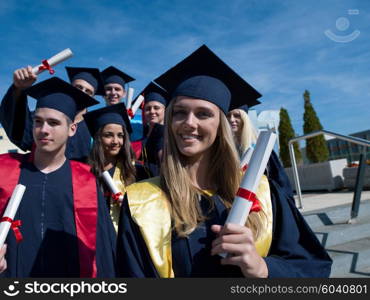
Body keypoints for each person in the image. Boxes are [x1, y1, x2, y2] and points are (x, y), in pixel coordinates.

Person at [116, 45, 332, 278]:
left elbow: (312, 268)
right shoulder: (143, 201)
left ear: (222, 126)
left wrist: (262, 268)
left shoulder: (264, 193)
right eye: (179, 112)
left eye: (203, 113)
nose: (189, 122)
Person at [0, 77, 116, 277]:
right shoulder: (5, 169)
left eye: (53, 123)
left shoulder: (86, 180)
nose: (44, 130)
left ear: (72, 129)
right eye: (38, 121)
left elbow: (102, 248)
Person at [0, 66, 103, 162]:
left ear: (93, 97)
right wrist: (18, 89)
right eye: (78, 87)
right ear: (70, 87)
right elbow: (18, 130)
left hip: (79, 179)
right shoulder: (42, 118)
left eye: (88, 91)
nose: (82, 92)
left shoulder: (94, 129)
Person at [84, 103, 147, 232]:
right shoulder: (85, 173)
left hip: (125, 238)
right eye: (108, 135)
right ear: (98, 138)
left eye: (120, 135)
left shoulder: (136, 172)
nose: (115, 141)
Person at [131, 82, 169, 176]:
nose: (152, 111)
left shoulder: (171, 138)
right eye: (148, 108)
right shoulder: (137, 143)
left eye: (156, 108)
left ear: (165, 110)